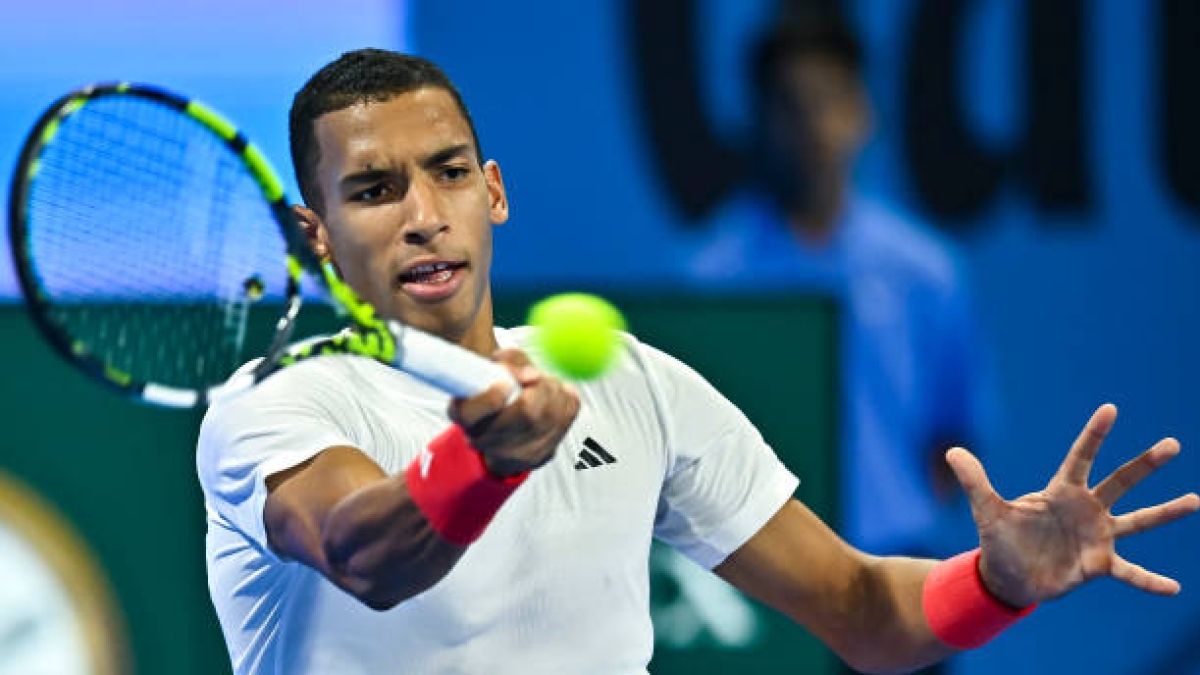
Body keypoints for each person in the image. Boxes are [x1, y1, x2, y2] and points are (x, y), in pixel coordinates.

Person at [195, 48, 1198, 674]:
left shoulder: (627, 382)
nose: (423, 217)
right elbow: (365, 556)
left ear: (493, 192)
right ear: (315, 235)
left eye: (449, 173)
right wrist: (485, 461)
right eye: (373, 191)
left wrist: (997, 584)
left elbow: (858, 608)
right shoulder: (277, 405)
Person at [689, 13, 992, 559]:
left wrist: (896, 516)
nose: (812, 124)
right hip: (772, 575)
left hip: (905, 564)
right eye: (790, 105)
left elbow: (954, 435)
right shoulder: (713, 278)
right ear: (759, 120)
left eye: (828, 99)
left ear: (864, 112)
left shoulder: (926, 270)